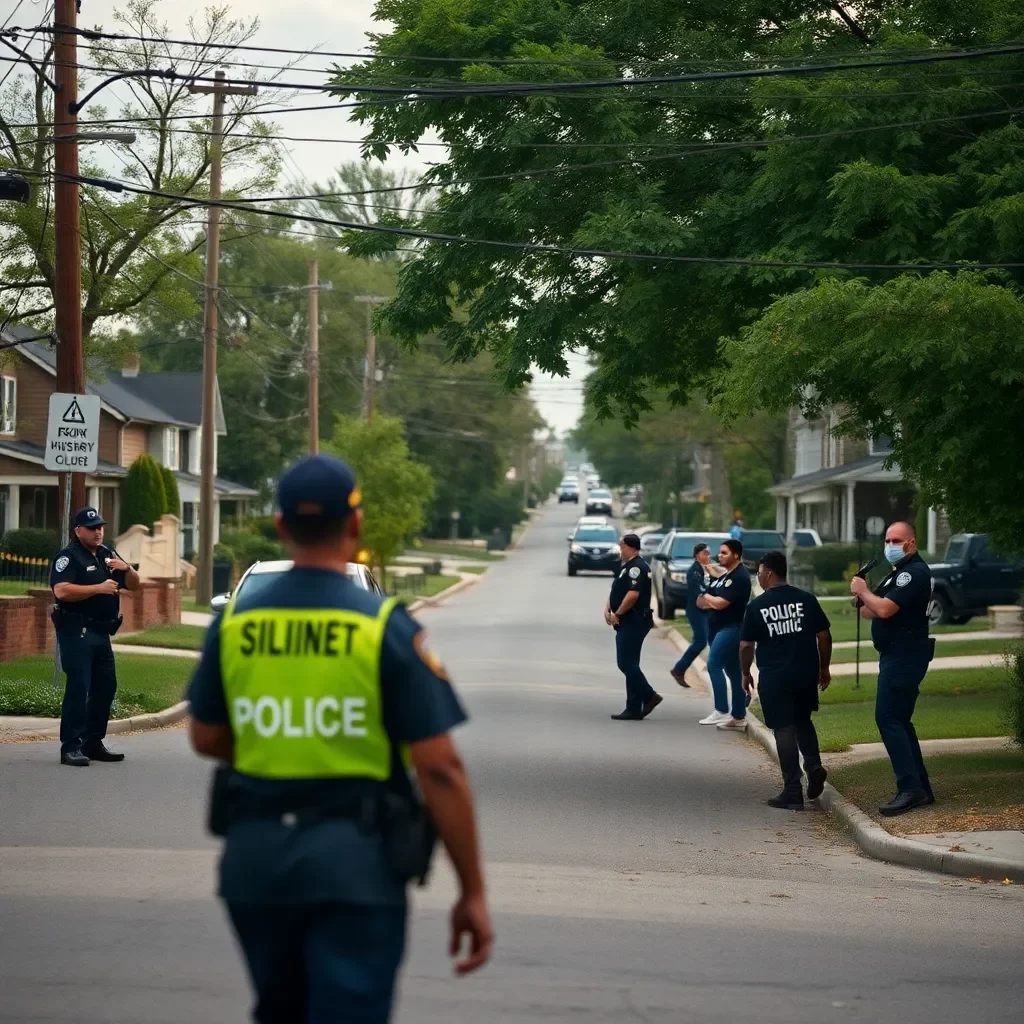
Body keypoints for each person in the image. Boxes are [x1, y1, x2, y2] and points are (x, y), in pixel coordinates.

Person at [187, 454, 493, 1023]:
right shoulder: (383, 628)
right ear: (354, 526)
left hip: (256, 861)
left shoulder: (235, 627)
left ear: (280, 527)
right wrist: (472, 890)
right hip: (354, 864)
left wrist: (276, 742)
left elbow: (205, 736)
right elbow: (441, 768)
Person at [850, 520, 936, 817]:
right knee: (900, 720)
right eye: (887, 540)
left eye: (896, 540)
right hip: (895, 655)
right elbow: (868, 610)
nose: (890, 546)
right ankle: (920, 787)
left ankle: (909, 789)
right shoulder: (897, 574)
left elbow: (884, 609)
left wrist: (865, 591)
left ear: (911, 543)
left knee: (887, 718)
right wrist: (863, 596)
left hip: (905, 655)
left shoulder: (912, 574)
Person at [740, 551, 832, 810]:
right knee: (802, 719)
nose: (758, 577)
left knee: (783, 728)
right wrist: (824, 667)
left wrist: (746, 673)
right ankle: (814, 768)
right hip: (805, 673)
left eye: (759, 572)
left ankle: (792, 790)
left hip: (775, 675)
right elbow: (824, 636)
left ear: (768, 573)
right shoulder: (806, 599)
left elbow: (746, 645)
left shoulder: (756, 606)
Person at [50, 506, 140, 767]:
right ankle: (71, 746)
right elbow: (62, 591)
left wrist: (128, 568)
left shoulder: (106, 553)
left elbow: (133, 584)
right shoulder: (68, 557)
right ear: (78, 531)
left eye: (100, 527)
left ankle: (92, 741)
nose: (98, 531)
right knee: (79, 687)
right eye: (92, 528)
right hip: (76, 631)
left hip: (102, 632)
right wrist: (98, 588)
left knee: (106, 686)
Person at [696, 538, 751, 731]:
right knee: (733, 671)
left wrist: (707, 598)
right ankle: (738, 716)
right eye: (719, 552)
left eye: (724, 553)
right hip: (718, 627)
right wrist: (709, 599)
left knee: (713, 665)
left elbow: (720, 603)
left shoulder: (739, 577)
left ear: (736, 554)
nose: (719, 556)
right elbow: (701, 603)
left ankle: (721, 709)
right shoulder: (726, 575)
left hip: (732, 628)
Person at [606, 533, 662, 721]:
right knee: (631, 664)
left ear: (631, 547)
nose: (619, 548)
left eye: (621, 545)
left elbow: (632, 595)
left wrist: (618, 613)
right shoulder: (627, 567)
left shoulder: (637, 567)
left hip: (634, 621)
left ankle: (649, 695)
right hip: (627, 621)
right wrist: (608, 608)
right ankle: (633, 707)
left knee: (626, 663)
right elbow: (617, 590)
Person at [669, 543, 713, 688]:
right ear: (697, 555)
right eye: (705, 553)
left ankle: (711, 666)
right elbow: (700, 592)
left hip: (706, 610)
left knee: (708, 639)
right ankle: (679, 669)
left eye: (709, 553)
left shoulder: (705, 570)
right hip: (696, 610)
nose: (708, 556)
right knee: (701, 641)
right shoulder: (694, 571)